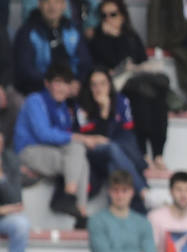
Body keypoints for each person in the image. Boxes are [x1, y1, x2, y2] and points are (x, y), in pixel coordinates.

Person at [89, 0, 176, 170]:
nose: (108, 19)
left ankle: (158, 153)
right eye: (104, 15)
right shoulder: (97, 39)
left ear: (122, 15)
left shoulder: (131, 36)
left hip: (137, 81)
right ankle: (143, 152)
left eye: (113, 14)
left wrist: (120, 39)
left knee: (158, 98)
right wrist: (113, 38)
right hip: (117, 86)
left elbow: (141, 60)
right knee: (140, 98)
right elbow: (111, 63)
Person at [15, 64, 94, 227]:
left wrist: (77, 138)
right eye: (58, 82)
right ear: (47, 83)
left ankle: (80, 210)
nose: (62, 87)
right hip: (28, 151)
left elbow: (64, 140)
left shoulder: (63, 109)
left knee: (79, 154)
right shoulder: (35, 101)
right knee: (77, 154)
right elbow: (43, 134)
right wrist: (76, 137)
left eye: (66, 83)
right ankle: (70, 199)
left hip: (49, 152)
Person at [74, 67, 148, 203]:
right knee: (112, 148)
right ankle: (144, 191)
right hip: (92, 152)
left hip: (116, 153)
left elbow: (126, 132)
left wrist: (107, 111)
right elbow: (94, 139)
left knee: (113, 163)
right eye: (94, 84)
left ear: (109, 84)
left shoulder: (121, 100)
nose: (99, 88)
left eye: (103, 83)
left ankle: (121, 210)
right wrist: (104, 111)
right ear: (89, 87)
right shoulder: (82, 106)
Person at [13, 0, 92, 95]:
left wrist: (78, 82)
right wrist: (53, 85)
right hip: (37, 91)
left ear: (64, 6)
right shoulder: (27, 32)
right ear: (39, 5)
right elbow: (25, 69)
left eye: (57, 2)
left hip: (71, 89)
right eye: (47, 2)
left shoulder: (73, 30)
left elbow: (85, 63)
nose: (52, 7)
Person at [0, 132, 27, 252]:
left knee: (21, 223)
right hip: (2, 213)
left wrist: (1, 178)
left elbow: (17, 201)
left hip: (3, 219)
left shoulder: (9, 160)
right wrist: (3, 209)